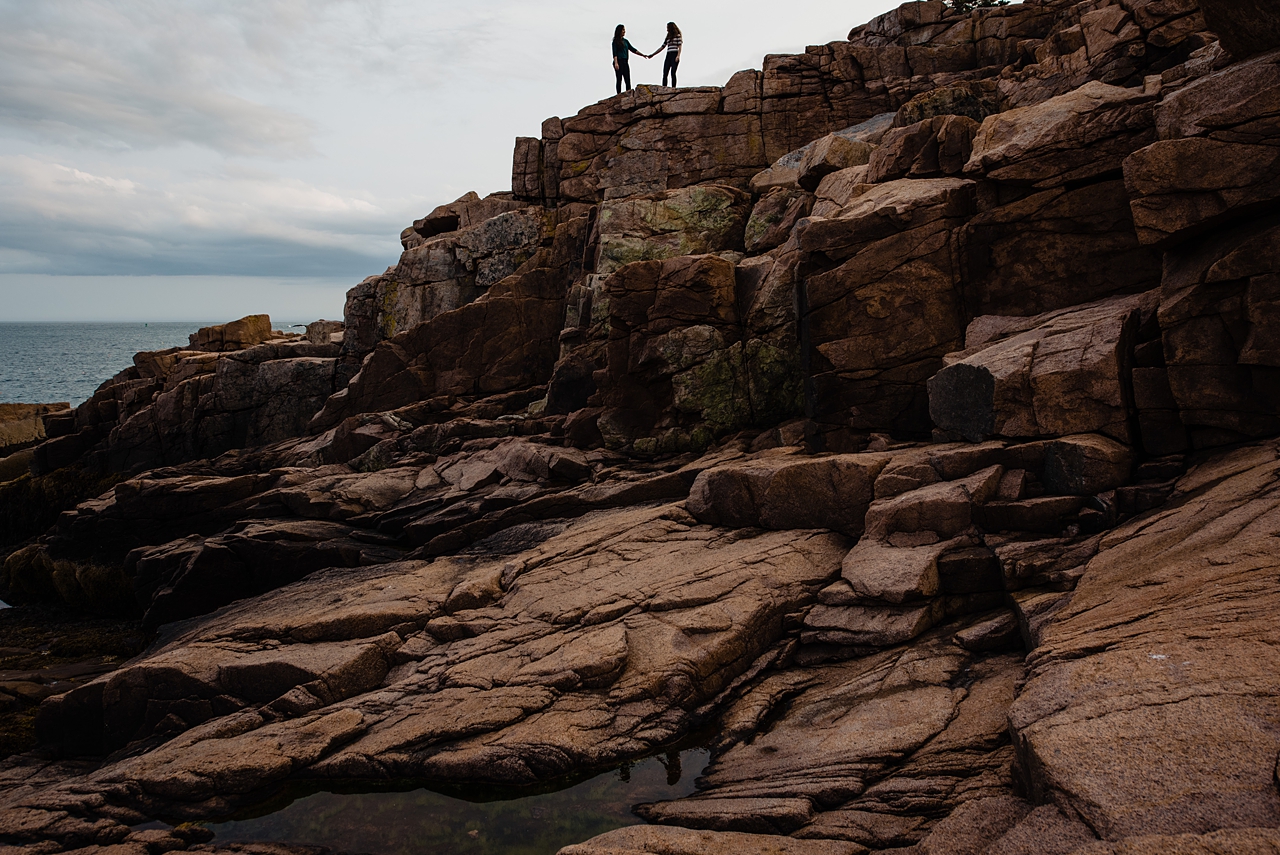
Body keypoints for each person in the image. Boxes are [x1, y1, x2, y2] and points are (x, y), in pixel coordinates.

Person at [612, 24, 646, 94]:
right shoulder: (615, 41)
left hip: (625, 61)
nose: (624, 31)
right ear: (619, 31)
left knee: (627, 78)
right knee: (619, 79)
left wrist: (642, 55)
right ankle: (618, 94)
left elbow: (633, 49)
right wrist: (616, 63)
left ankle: (629, 94)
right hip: (619, 61)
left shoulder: (626, 41)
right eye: (623, 30)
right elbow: (614, 53)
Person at [649, 22, 682, 87]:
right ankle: (664, 87)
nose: (667, 29)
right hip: (668, 55)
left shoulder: (677, 35)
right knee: (665, 72)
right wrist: (653, 54)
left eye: (668, 28)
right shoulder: (668, 37)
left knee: (673, 72)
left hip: (674, 54)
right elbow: (662, 47)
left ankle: (673, 87)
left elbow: (680, 46)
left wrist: (678, 56)